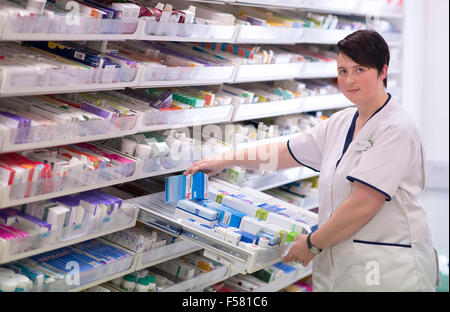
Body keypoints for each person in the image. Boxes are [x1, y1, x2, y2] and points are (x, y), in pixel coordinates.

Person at [183, 30, 439, 292]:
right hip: (344, 262)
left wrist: (311, 243)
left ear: (383, 71)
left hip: (390, 268)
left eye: (360, 69)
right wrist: (226, 159)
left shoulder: (396, 128)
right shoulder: (343, 121)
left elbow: (363, 205)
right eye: (343, 71)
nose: (350, 80)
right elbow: (285, 152)